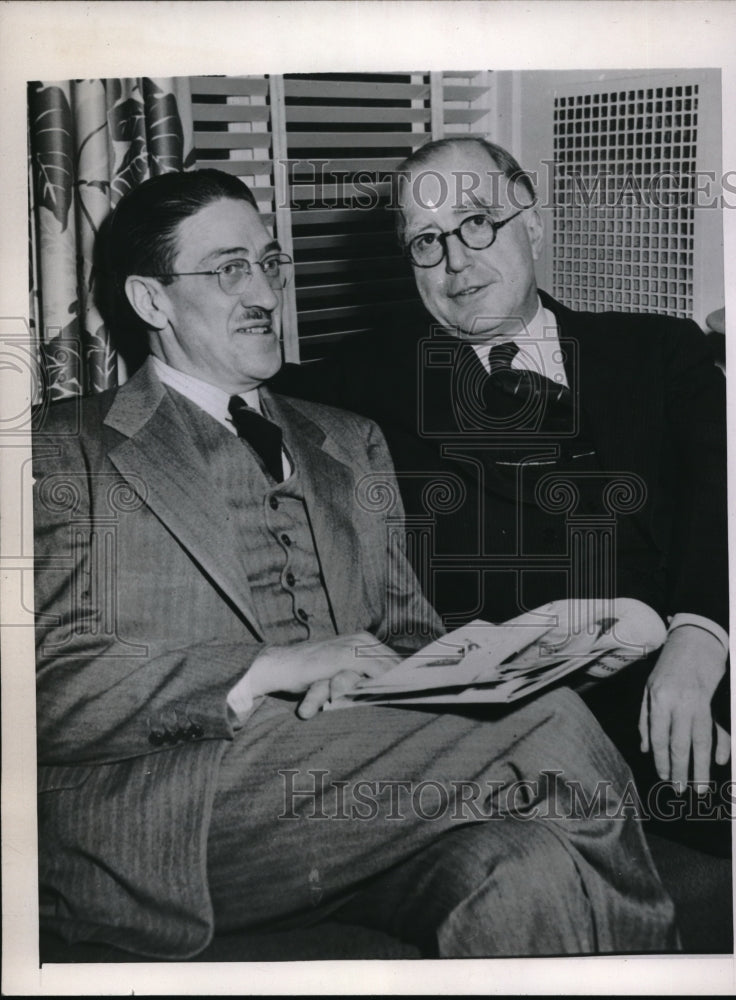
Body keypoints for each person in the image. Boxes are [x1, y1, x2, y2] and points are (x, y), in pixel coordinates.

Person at [34, 168, 676, 961]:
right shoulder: (61, 448)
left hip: (356, 798)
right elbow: (43, 687)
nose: (265, 292)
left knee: (528, 867)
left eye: (269, 264)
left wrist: (403, 676)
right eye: (229, 269)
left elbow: (407, 631)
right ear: (152, 301)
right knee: (543, 724)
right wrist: (272, 666)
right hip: (177, 816)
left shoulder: (347, 439)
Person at [276, 137, 730, 813]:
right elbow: (237, 379)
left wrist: (700, 637)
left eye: (478, 221)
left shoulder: (659, 351)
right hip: (560, 717)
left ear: (533, 222)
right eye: (427, 241)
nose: (456, 260)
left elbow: (726, 490)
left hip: (712, 643)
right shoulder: (374, 381)